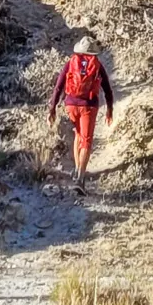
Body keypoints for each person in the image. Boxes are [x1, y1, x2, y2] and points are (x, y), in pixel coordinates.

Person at [50, 35, 116, 192]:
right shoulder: (97, 65)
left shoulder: (71, 62)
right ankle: (80, 178)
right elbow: (107, 89)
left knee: (78, 135)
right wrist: (109, 109)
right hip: (89, 106)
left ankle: (76, 170)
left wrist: (52, 108)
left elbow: (58, 86)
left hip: (71, 104)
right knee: (86, 141)